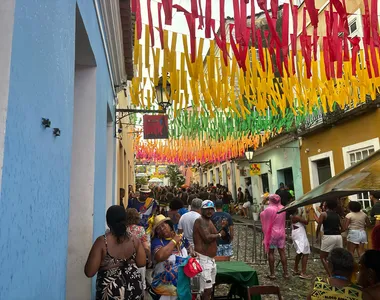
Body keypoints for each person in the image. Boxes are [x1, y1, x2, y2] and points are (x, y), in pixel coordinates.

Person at [84, 205, 146, 300]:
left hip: (111, 292)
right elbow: (142, 263)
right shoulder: (134, 240)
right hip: (134, 288)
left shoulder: (102, 242)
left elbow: (89, 272)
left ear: (108, 223)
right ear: (126, 221)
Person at [150, 214, 190, 299]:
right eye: (158, 228)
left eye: (163, 225)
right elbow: (160, 256)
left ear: (169, 225)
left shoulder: (181, 238)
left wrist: (192, 252)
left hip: (182, 285)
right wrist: (174, 241)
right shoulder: (157, 242)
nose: (161, 229)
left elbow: (189, 249)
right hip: (164, 289)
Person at [193, 200, 221, 300]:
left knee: (209, 288)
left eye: (211, 209)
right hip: (203, 260)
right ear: (201, 210)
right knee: (206, 290)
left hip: (210, 259)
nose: (209, 211)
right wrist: (219, 235)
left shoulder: (208, 221)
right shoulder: (200, 220)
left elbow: (213, 234)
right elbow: (207, 237)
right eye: (207, 209)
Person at [260, 194, 289, 280]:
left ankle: (273, 274)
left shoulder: (269, 209)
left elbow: (262, 215)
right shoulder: (283, 208)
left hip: (272, 233)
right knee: (282, 252)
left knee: (271, 252)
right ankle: (286, 273)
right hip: (281, 232)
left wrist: (262, 205)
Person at [126, 208, 151, 291]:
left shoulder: (123, 230)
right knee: (140, 286)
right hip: (139, 262)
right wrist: (149, 258)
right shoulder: (140, 230)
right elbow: (146, 247)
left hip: (125, 263)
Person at [316, 199, 343, 276]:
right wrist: (337, 232)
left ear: (326, 205)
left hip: (328, 236)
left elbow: (319, 226)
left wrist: (317, 236)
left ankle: (330, 275)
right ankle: (339, 272)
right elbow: (343, 228)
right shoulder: (337, 215)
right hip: (338, 237)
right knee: (337, 256)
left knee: (323, 257)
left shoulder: (324, 214)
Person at [289, 207, 312, 279]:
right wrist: (308, 214)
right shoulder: (297, 217)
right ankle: (303, 272)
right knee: (305, 253)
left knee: (299, 253)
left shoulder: (293, 216)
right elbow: (306, 222)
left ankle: (295, 269)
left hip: (297, 234)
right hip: (300, 235)